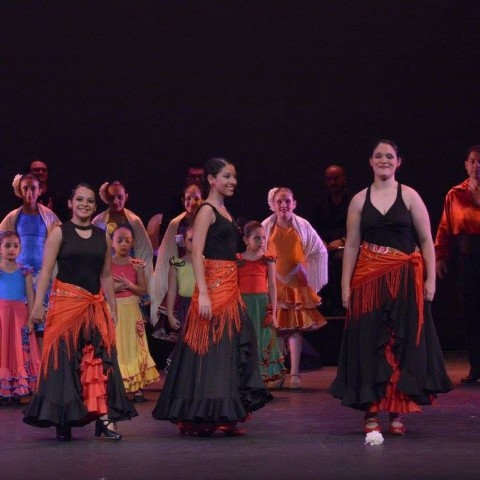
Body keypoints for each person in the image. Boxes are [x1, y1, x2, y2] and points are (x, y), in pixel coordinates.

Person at [329, 139, 453, 435]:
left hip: (404, 281)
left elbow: (426, 240)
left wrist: (431, 279)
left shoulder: (409, 196)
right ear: (370, 162)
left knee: (399, 342)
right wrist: (345, 285)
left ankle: (398, 411)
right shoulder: (359, 200)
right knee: (369, 343)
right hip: (368, 280)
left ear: (398, 162)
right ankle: (370, 410)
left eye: (389, 156)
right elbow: (352, 245)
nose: (383, 160)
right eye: (378, 156)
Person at [152, 157, 272, 436]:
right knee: (207, 350)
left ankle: (225, 413)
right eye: (227, 176)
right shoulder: (206, 210)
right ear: (211, 179)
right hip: (213, 287)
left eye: (234, 177)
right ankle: (201, 414)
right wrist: (203, 293)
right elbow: (196, 252)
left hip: (230, 286)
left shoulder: (224, 210)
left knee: (227, 349)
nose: (232, 181)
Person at [23, 183, 137, 441]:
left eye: (89, 201)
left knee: (99, 359)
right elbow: (46, 272)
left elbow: (106, 275)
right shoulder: (59, 233)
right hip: (65, 306)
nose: (85, 204)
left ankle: (105, 419)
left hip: (94, 307)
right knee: (64, 363)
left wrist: (113, 307)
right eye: (80, 200)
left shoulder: (102, 236)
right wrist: (38, 304)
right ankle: (63, 419)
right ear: (71, 204)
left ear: (94, 206)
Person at [262, 187, 328, 389]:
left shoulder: (302, 225)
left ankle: (295, 373)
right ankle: (279, 372)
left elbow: (319, 249)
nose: (283, 205)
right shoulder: (267, 226)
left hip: (296, 282)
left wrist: (310, 273)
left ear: (294, 203)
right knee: (278, 328)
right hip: (276, 282)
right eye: (279, 202)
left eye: (287, 201)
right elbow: (260, 249)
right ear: (273, 204)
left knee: (296, 327)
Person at [435, 145, 480, 383]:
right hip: (467, 257)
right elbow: (445, 227)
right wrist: (440, 256)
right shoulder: (455, 194)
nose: (477, 166)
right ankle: (476, 367)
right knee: (471, 312)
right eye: (473, 161)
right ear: (466, 164)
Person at [1, 173, 61, 344]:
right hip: (21, 276)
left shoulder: (49, 216)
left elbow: (59, 241)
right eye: (25, 188)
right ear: (20, 190)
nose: (29, 193)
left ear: (40, 190)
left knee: (42, 323)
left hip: (43, 277)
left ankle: (42, 367)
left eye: (33, 188)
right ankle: (23, 363)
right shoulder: (13, 217)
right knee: (22, 322)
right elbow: (3, 242)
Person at [111, 224, 159, 401]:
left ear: (132, 243)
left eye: (127, 241)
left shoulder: (136, 264)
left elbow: (142, 290)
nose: (123, 244)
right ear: (112, 242)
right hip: (114, 310)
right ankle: (119, 385)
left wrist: (129, 285)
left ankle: (137, 387)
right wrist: (115, 288)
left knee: (134, 346)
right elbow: (102, 289)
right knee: (118, 346)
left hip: (131, 310)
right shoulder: (107, 264)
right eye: (119, 240)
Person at [237, 221, 286, 385]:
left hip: (262, 305)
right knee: (245, 339)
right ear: (246, 240)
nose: (261, 242)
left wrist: (273, 311)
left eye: (264, 238)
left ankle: (261, 378)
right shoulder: (238, 260)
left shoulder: (267, 260)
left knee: (262, 338)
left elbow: (272, 285)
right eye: (257, 238)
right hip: (244, 305)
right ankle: (245, 377)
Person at [151, 182, 203, 327]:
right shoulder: (176, 223)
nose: (191, 202)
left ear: (202, 200)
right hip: (183, 275)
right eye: (188, 198)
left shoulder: (208, 222)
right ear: (183, 200)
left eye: (196, 198)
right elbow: (166, 253)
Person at [92, 180, 154, 298]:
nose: (116, 201)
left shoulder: (134, 221)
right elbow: (92, 252)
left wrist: (138, 269)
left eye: (120, 197)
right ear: (106, 198)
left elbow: (145, 250)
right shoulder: (98, 221)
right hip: (107, 272)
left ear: (126, 196)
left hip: (130, 273)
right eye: (112, 197)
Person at [0, 231, 40, 405]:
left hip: (18, 316)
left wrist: (31, 319)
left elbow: (31, 297)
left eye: (16, 246)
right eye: (7, 245)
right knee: (4, 350)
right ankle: (3, 391)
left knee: (18, 351)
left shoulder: (25, 271)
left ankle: (18, 389)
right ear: (0, 249)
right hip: (2, 316)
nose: (12, 249)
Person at [313, 165, 354, 316]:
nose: (332, 183)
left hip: (349, 246)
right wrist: (321, 242)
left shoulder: (354, 201)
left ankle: (340, 307)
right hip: (325, 248)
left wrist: (343, 241)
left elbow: (361, 228)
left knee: (338, 261)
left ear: (344, 179)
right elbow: (314, 229)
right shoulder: (321, 204)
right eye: (328, 179)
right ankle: (321, 306)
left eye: (336, 178)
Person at [163, 225, 195, 371]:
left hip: (201, 307)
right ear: (183, 241)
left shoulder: (206, 262)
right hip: (185, 307)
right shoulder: (177, 263)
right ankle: (179, 367)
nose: (194, 243)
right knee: (186, 339)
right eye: (191, 240)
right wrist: (170, 314)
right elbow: (172, 291)